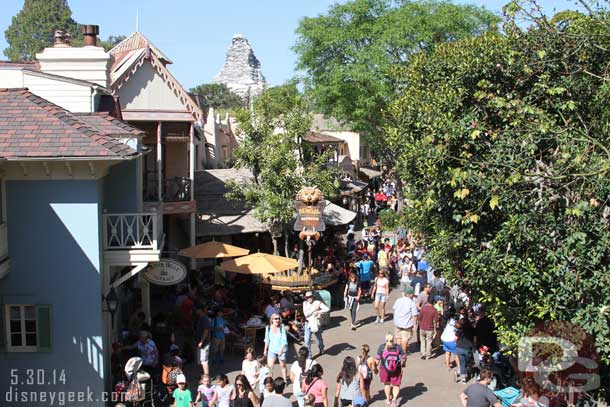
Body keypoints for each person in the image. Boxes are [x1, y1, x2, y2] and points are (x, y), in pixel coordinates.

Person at [375, 333, 406, 407]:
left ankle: (388, 399)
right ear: (393, 340)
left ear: (385, 340)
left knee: (387, 383)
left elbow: (377, 359)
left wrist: (374, 367)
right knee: (396, 385)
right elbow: (404, 357)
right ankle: (394, 399)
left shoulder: (382, 347)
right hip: (396, 369)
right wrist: (403, 364)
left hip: (384, 368)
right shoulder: (398, 347)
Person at [392, 286, 419, 354]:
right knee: (404, 339)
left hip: (397, 323)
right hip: (406, 325)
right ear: (410, 294)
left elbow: (394, 309)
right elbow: (414, 315)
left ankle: (397, 352)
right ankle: (403, 353)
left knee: (398, 338)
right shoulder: (411, 303)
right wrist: (415, 324)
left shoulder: (398, 300)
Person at [302, 291, 330, 357]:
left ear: (313, 297)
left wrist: (319, 312)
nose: (309, 298)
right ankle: (309, 356)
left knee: (319, 338)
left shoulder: (317, 302)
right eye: (307, 297)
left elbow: (327, 309)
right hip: (308, 323)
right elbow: (306, 314)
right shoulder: (305, 303)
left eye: (310, 297)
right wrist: (314, 309)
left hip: (315, 323)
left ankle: (321, 348)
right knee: (306, 340)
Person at [263, 313, 289, 380]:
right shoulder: (268, 328)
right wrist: (265, 350)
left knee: (282, 365)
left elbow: (284, 341)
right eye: (275, 319)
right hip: (272, 349)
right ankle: (270, 381)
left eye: (278, 319)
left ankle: (285, 380)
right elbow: (267, 339)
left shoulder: (282, 327)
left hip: (282, 349)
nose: (277, 320)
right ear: (272, 320)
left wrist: (281, 350)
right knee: (270, 366)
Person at [455, 319, 476, 383]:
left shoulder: (460, 330)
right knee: (468, 362)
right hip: (468, 348)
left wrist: (458, 342)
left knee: (462, 362)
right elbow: (475, 339)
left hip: (459, 348)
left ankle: (463, 377)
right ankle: (467, 372)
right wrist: (474, 345)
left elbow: (455, 338)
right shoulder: (472, 329)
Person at [195, 305, 211, 375]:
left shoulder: (204, 318)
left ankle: (206, 376)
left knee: (204, 360)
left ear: (200, 310)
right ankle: (202, 376)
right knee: (200, 361)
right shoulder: (200, 318)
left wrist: (201, 341)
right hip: (200, 343)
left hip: (204, 343)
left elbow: (206, 330)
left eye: (197, 309)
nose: (195, 311)